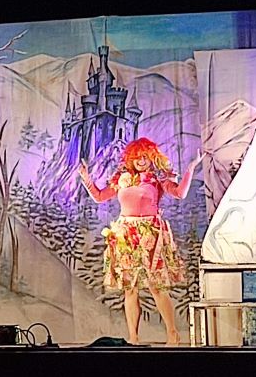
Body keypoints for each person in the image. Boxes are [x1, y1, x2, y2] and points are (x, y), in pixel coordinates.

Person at [78, 137, 203, 346]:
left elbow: (180, 193)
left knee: (156, 287)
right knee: (130, 288)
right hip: (126, 236)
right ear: (131, 159)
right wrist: (86, 178)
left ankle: (173, 334)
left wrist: (191, 168)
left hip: (150, 235)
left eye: (145, 157)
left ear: (151, 157)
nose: (141, 161)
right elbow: (99, 196)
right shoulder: (122, 178)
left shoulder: (156, 178)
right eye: (137, 157)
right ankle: (133, 337)